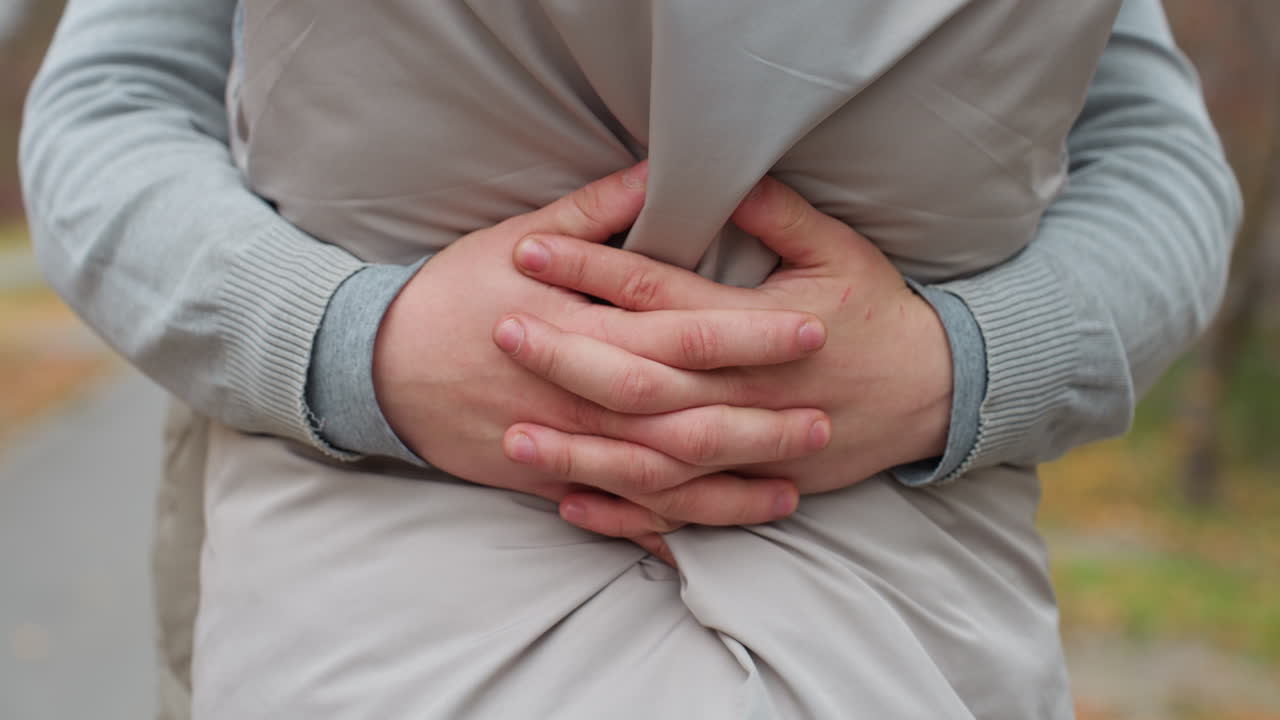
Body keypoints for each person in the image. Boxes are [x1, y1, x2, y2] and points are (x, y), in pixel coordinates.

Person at [20, 1, 1239, 718]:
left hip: (904, 633)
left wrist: (957, 368)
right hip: (371, 616)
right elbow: (108, 103)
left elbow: (1161, 163)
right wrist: (356, 345)